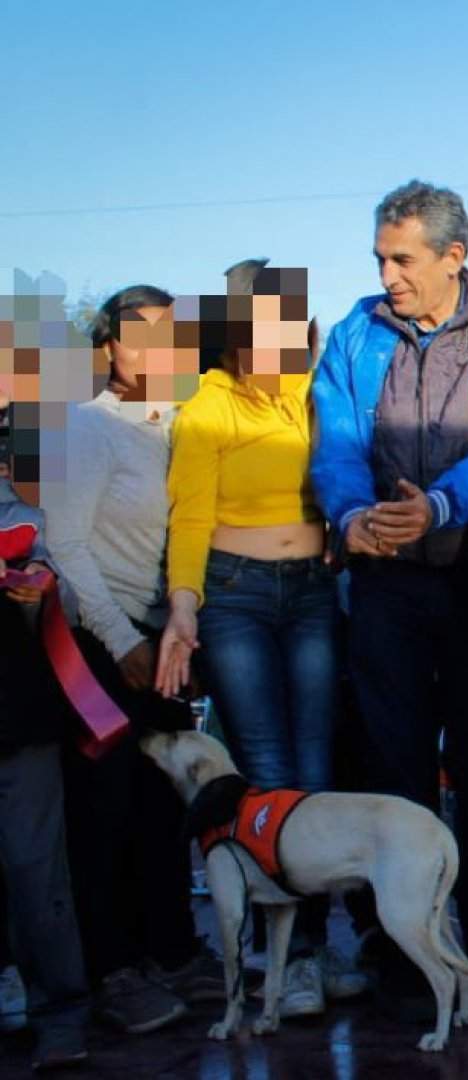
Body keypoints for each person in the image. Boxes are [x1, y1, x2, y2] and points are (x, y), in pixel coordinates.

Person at [309, 180, 468, 985]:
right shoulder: (352, 333)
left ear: (456, 257)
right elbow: (336, 440)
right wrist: (350, 517)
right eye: (380, 258)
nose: (388, 276)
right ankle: (393, 942)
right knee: (392, 764)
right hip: (382, 583)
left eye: (403, 259)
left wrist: (443, 507)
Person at [152, 266, 355, 1018]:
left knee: (315, 765)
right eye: (256, 332)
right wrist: (183, 611)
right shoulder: (205, 404)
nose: (272, 346)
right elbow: (189, 518)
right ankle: (290, 960)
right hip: (234, 594)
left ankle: (317, 943)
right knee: (266, 771)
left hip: (311, 592)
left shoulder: (318, 395)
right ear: (237, 339)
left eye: (287, 330)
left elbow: (347, 474)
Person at [40, 285, 219, 1034]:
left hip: (166, 639)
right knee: (103, 810)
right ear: (109, 346)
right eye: (136, 337)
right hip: (102, 645)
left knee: (160, 807)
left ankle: (173, 951)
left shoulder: (184, 421)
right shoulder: (85, 427)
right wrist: (122, 641)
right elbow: (64, 543)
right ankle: (111, 971)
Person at [0, 374, 91, 1071]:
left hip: (15, 711)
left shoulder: (16, 464)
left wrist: (35, 576)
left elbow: (40, 547)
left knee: (37, 869)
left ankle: (61, 1014)